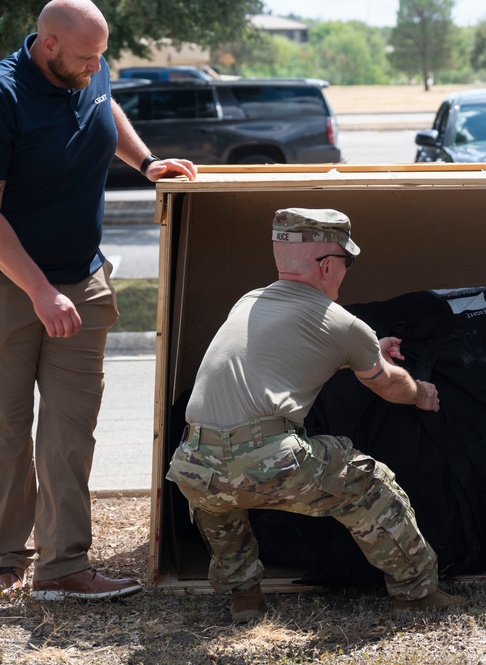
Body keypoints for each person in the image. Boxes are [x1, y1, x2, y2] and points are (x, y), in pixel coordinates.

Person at [166, 207, 465, 624]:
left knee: (220, 500)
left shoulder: (249, 302)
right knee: (369, 483)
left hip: (193, 464)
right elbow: (388, 385)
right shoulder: (342, 324)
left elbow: (296, 353)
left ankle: (244, 597)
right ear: (327, 265)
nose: (346, 271)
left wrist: (363, 351)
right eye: (347, 262)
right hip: (268, 462)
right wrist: (421, 395)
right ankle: (416, 592)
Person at [0, 0, 197, 600]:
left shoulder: (88, 67)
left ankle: (63, 570)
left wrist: (145, 161)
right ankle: (5, 557)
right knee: (6, 429)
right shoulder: (5, 96)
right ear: (48, 45)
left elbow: (103, 106)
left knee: (70, 430)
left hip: (82, 282)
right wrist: (38, 291)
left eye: (101, 56)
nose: (96, 67)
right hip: (11, 285)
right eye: (85, 57)